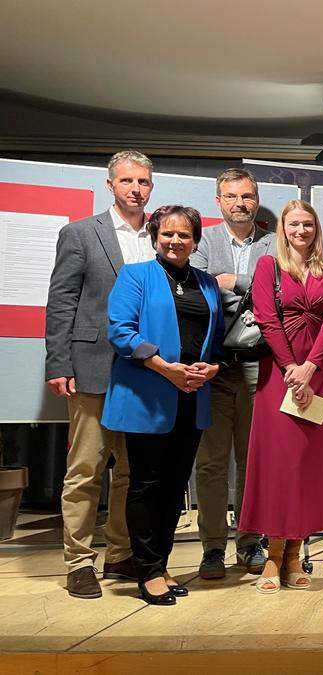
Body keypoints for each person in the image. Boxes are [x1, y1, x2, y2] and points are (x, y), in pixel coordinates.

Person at [45, 150, 155, 598]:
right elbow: (62, 301)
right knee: (86, 468)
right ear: (110, 185)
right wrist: (59, 362)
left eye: (143, 182)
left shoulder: (161, 234)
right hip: (91, 366)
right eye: (127, 181)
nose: (135, 189)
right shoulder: (79, 233)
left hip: (146, 370)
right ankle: (78, 561)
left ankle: (121, 553)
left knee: (131, 471)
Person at [102, 205, 223, 605]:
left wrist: (211, 368)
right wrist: (164, 367)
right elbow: (121, 332)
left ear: (195, 240)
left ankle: (161, 563)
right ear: (155, 237)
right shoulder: (136, 276)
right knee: (146, 485)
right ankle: (147, 571)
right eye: (167, 234)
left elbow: (217, 339)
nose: (175, 241)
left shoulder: (206, 284)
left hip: (192, 397)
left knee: (174, 489)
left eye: (184, 235)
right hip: (146, 397)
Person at [240, 200, 323, 593]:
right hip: (279, 378)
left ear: (316, 229)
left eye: (308, 224)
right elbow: (266, 318)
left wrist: (311, 368)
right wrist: (290, 369)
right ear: (283, 229)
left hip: (319, 377)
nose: (301, 230)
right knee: (279, 466)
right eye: (294, 224)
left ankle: (296, 556)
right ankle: (273, 554)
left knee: (306, 466)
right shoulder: (269, 267)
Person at [190, 168, 273, 580]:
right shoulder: (201, 241)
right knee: (210, 462)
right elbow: (200, 289)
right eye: (231, 196)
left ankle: (250, 542)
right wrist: (252, 286)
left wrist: (235, 280)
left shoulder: (275, 242)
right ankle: (211, 548)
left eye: (246, 196)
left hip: (260, 365)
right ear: (218, 201)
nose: (240, 203)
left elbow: (279, 290)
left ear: (256, 200)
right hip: (214, 366)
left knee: (253, 459)